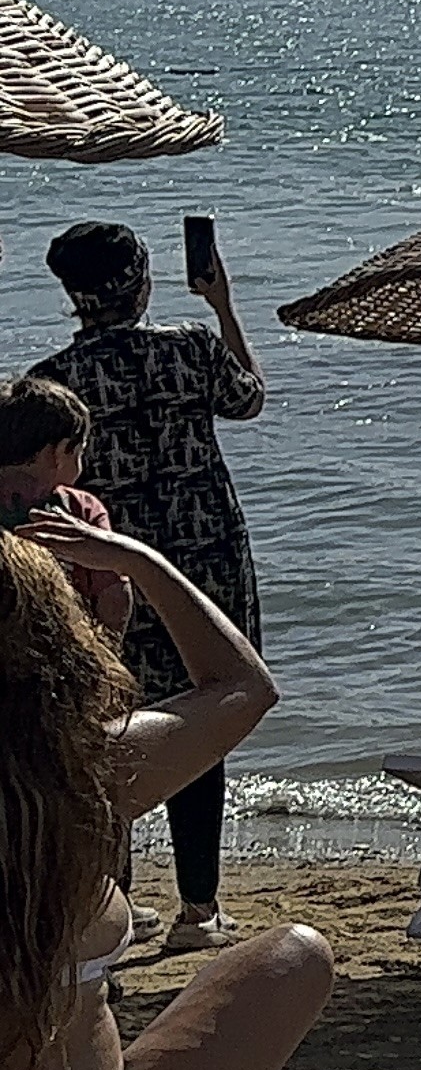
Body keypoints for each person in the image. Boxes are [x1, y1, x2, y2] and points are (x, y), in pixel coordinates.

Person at [2, 514, 327, 1070]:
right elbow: (242, 688)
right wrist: (140, 562)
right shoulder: (84, 773)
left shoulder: (81, 772)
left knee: (288, 957)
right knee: (298, 953)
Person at [32, 222, 267, 953]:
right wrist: (223, 305)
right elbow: (249, 398)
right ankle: (199, 908)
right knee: (205, 720)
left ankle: (119, 902)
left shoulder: (55, 383)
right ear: (143, 282)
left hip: (105, 567)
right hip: (208, 561)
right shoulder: (191, 348)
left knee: (111, 729)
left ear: (72, 294)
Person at [0, 375, 133, 634]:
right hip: (66, 648)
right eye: (80, 451)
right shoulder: (80, 509)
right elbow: (114, 597)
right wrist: (106, 652)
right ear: (59, 453)